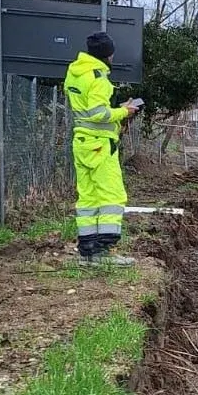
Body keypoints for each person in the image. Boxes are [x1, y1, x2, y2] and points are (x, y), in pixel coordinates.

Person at [64, 31, 141, 266]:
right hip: (100, 144)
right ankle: (104, 251)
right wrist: (124, 112)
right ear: (108, 55)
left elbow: (87, 111)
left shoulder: (75, 72)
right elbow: (98, 114)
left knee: (87, 197)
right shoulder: (99, 78)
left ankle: (87, 251)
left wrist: (115, 113)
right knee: (111, 196)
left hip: (82, 142)